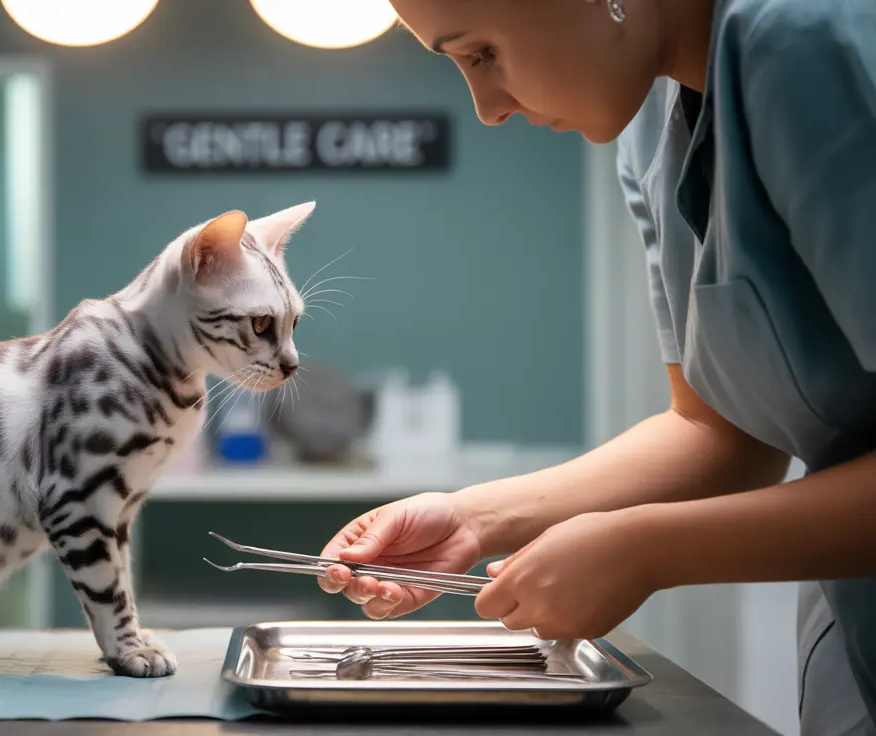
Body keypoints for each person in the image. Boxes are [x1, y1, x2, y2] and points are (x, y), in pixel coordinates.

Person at [316, 1, 876, 733]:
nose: (485, 108)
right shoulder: (649, 121)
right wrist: (473, 520)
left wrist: (647, 549)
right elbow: (720, 434)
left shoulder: (806, 42)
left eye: (481, 52)